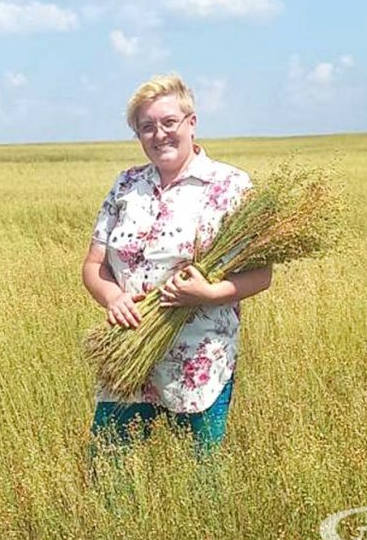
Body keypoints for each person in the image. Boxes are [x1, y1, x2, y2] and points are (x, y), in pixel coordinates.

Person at [82, 74, 272, 458]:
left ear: (191, 122)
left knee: (198, 476)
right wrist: (113, 297)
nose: (159, 135)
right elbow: (94, 265)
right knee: (109, 468)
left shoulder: (231, 185)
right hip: (127, 356)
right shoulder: (126, 185)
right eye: (147, 127)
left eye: (169, 122)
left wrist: (208, 293)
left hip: (198, 362)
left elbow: (262, 274)